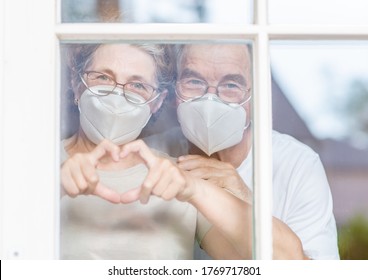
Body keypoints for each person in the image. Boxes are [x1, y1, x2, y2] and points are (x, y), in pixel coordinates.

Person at [59, 43, 248, 260]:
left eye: (137, 85)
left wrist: (197, 190)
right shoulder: (41, 162)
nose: (117, 94)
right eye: (103, 77)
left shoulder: (177, 178)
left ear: (157, 102)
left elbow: (278, 262)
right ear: (76, 83)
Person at [170, 43, 340, 260]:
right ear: (175, 89)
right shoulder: (155, 155)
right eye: (194, 82)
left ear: (256, 96)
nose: (210, 99)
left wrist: (244, 201)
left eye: (231, 85)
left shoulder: (297, 164)